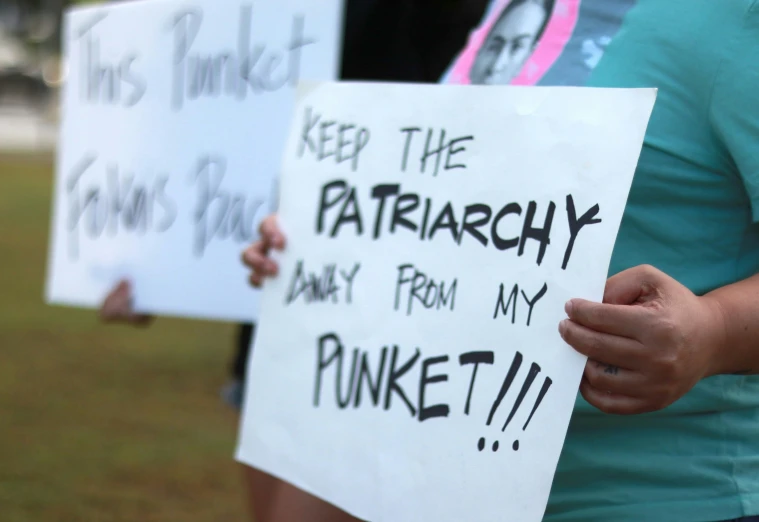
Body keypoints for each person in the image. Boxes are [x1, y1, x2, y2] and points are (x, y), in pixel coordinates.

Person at [244, 0, 759, 520]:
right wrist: (316, 246)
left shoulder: (733, 18)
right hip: (437, 484)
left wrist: (713, 331)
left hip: (658, 494)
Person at [100, 2, 487, 522]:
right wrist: (156, 273)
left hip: (383, 349)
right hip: (273, 335)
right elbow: (198, 132)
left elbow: (476, 135)